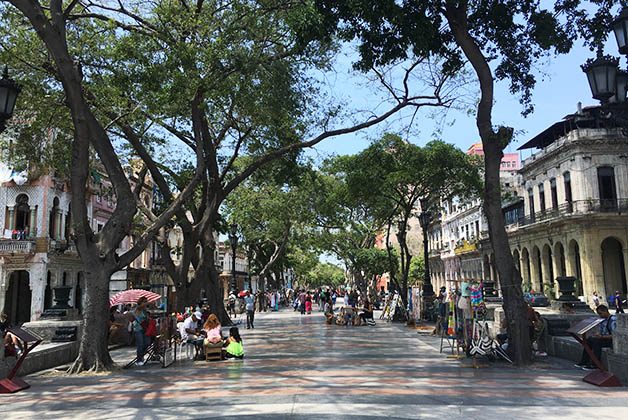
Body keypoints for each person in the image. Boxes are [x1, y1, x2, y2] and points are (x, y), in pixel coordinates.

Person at [575, 305, 616, 370]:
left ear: (605, 311)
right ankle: (584, 361)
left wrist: (602, 336)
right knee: (589, 340)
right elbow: (602, 331)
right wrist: (598, 335)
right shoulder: (603, 320)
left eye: (601, 313)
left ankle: (595, 364)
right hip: (603, 338)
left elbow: (615, 335)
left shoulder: (613, 320)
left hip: (610, 340)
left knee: (597, 342)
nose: (600, 316)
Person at [132, 297, 150, 366]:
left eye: (146, 301)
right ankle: (139, 359)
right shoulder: (138, 309)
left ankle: (141, 355)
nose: (146, 303)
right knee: (140, 344)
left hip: (144, 328)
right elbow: (140, 308)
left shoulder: (144, 310)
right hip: (138, 328)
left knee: (147, 342)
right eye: (144, 302)